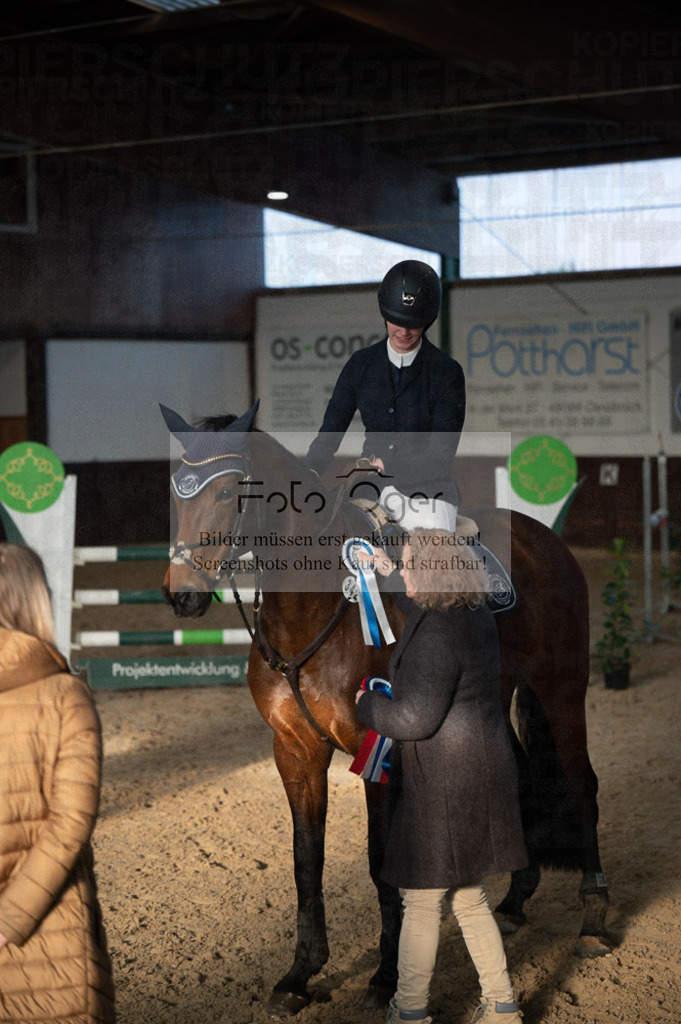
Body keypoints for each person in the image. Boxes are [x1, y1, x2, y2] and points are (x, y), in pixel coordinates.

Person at [355, 528, 527, 1024]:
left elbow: (414, 719)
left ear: (431, 571)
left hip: (447, 786)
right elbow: (414, 604)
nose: (404, 569)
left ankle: (409, 1011)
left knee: (421, 901)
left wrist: (367, 704)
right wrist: (384, 571)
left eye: (409, 563)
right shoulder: (468, 612)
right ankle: (502, 1006)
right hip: (478, 774)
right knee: (469, 897)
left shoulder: (436, 635)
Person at [0, 543, 115, 1023]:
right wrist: (10, 918)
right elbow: (69, 824)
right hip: (47, 934)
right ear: (37, 601)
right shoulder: (68, 696)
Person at [305, 260, 466, 511]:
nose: (404, 331)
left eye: (413, 324)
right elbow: (329, 435)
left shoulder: (447, 372)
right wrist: (308, 473)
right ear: (385, 314)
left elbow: (440, 457)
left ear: (428, 320)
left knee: (432, 536)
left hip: (429, 493)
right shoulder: (360, 365)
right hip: (369, 489)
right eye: (396, 320)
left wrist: (383, 465)